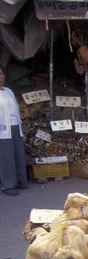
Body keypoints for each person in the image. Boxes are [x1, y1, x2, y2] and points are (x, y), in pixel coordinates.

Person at [0, 65, 28, 196]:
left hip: (15, 126)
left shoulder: (8, 91)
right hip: (2, 130)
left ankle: (21, 181)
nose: (0, 77)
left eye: (1, 74)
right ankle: (8, 185)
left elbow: (16, 109)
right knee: (7, 157)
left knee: (18, 154)